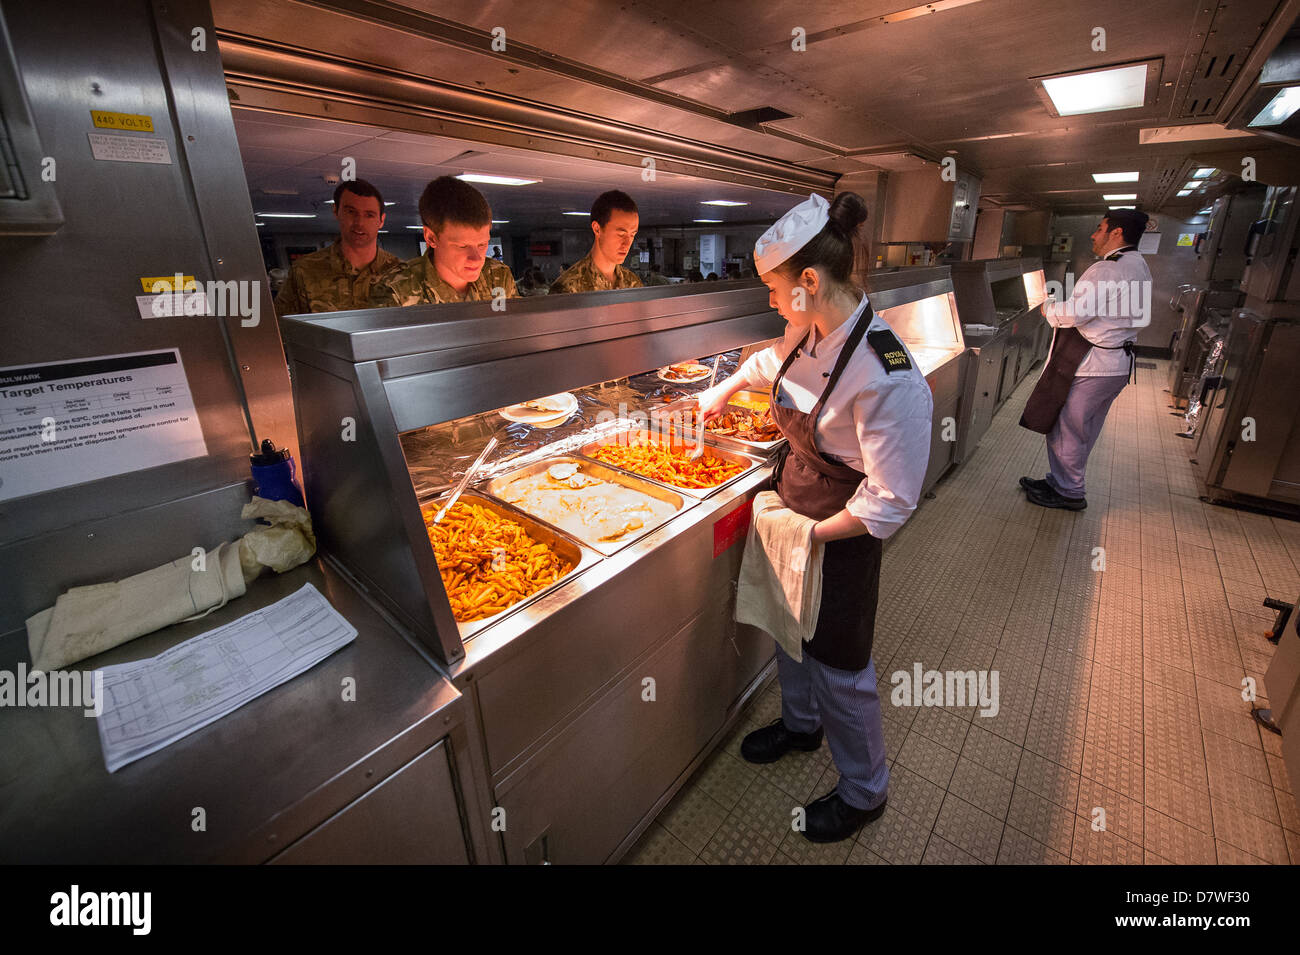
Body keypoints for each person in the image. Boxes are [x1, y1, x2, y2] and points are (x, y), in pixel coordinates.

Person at [698, 192, 933, 843]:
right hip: (794, 502)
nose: (772, 302)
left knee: (839, 661)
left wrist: (810, 536)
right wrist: (722, 388)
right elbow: (774, 369)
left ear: (809, 281)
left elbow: (891, 497)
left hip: (840, 529)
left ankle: (865, 790)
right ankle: (801, 726)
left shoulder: (887, 370)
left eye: (775, 289)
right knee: (787, 629)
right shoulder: (809, 332)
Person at [1018, 208, 1152, 509]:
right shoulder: (1138, 264)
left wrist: (1048, 309)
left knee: (1067, 426)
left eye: (1100, 228)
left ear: (1116, 232)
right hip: (1115, 364)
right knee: (1084, 428)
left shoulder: (1108, 268)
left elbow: (1077, 313)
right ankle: (1060, 480)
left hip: (1093, 365)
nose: (1094, 234)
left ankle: (1069, 492)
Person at [369, 176, 518, 306]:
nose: (476, 259)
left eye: (482, 244)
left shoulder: (497, 276)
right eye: (462, 246)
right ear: (431, 238)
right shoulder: (395, 289)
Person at [273, 179, 400, 316]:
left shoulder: (401, 273)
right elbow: (280, 329)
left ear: (381, 220)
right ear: (336, 212)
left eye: (369, 215)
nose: (359, 223)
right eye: (351, 212)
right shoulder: (305, 271)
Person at [549, 190, 643, 294]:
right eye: (621, 234)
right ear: (597, 229)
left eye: (632, 235)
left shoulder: (633, 284)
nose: (627, 243)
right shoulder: (568, 288)